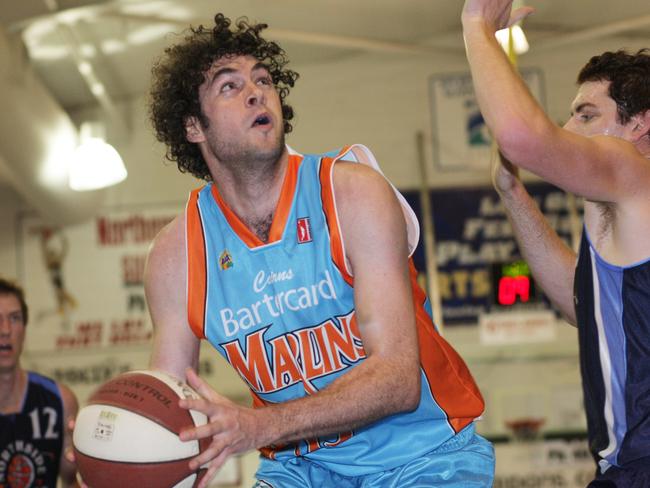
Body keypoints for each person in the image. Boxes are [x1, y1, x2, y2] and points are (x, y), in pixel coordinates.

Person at [145, 13, 494, 488]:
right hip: (300, 468)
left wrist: (261, 426)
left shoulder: (352, 193)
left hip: (424, 455)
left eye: (263, 80)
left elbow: (397, 380)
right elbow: (167, 409)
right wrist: (120, 446)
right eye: (230, 87)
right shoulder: (175, 256)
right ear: (193, 127)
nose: (256, 92)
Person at [462, 0, 650, 485]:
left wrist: (476, 25)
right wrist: (514, 193)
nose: (569, 130)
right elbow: (580, 304)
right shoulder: (620, 204)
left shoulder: (632, 168)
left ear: (639, 124)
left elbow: (524, 137)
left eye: (586, 115)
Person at [0, 277, 79, 487]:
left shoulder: (60, 401)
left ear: (24, 329)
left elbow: (73, 481)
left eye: (15, 318)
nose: (5, 330)